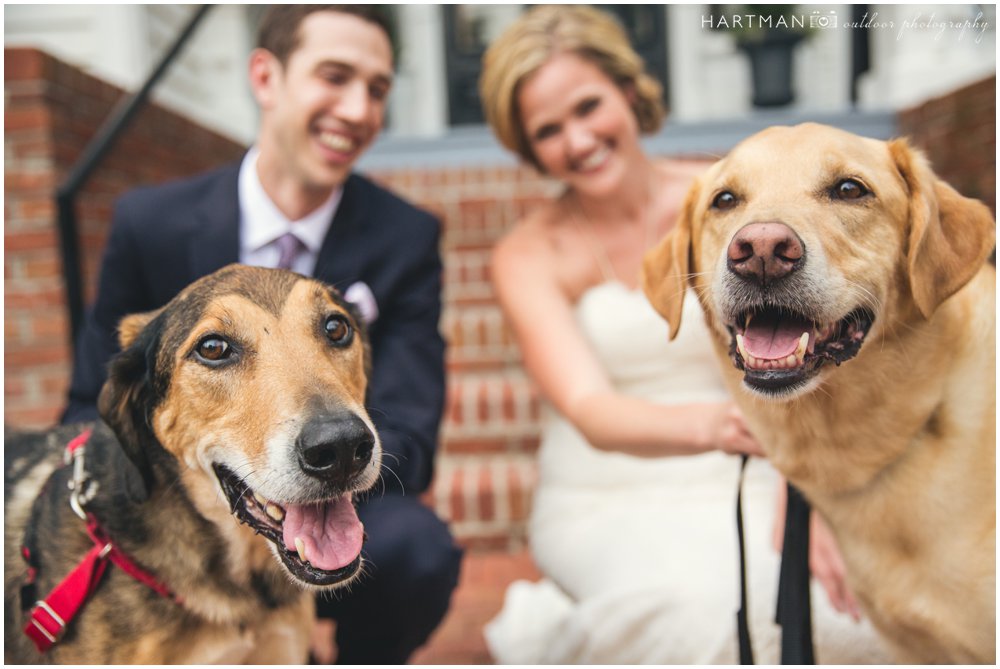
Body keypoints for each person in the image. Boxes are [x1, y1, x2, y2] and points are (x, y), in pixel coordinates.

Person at [478, 5, 891, 663]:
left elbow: (815, 348)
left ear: (628, 92)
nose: (577, 140)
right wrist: (725, 429)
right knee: (698, 619)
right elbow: (591, 410)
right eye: (548, 130)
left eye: (589, 107)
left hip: (765, 465)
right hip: (606, 487)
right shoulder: (526, 255)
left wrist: (803, 485)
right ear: (529, 146)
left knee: (847, 614)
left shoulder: (733, 196)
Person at [61, 5, 462, 664]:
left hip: (343, 499)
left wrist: (311, 464)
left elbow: (412, 435)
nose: (360, 109)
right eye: (335, 76)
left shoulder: (406, 235)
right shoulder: (148, 223)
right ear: (266, 76)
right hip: (184, 506)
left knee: (418, 549)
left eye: (379, 88)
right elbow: (87, 403)